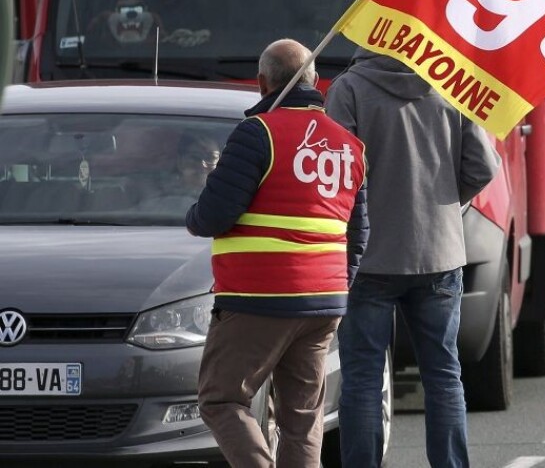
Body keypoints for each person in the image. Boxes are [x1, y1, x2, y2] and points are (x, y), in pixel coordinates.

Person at [185, 38, 369, 468]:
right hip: (324, 301)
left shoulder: (257, 133)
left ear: (262, 83)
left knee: (221, 399)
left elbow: (213, 216)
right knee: (302, 419)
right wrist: (338, 286)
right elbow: (359, 232)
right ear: (315, 81)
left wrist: (192, 215)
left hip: (258, 297)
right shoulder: (349, 145)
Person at [326, 48, 501, 468]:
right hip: (439, 253)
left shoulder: (349, 89)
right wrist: (440, 206)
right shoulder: (451, 81)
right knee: (443, 375)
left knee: (363, 377)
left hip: (368, 258)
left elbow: (335, 172)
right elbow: (483, 167)